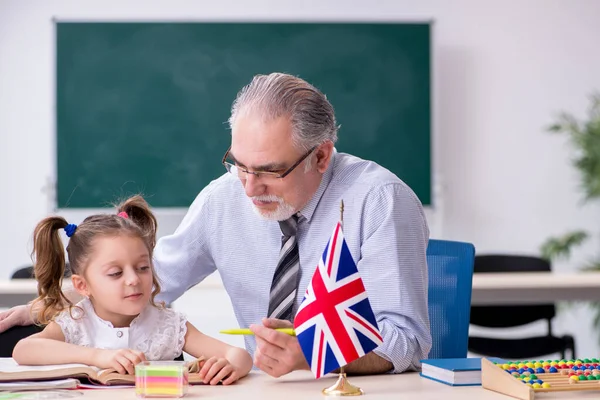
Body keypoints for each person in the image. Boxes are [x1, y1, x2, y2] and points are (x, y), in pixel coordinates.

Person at [1, 72, 431, 378]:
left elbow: (406, 341)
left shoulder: (379, 201)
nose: (248, 187)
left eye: (268, 171)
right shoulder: (223, 197)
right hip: (263, 389)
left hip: (366, 390)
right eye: (238, 164)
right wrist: (54, 305)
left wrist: (311, 352)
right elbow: (152, 279)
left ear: (321, 156)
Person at [11, 195, 252, 385]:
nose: (133, 279)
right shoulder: (77, 320)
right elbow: (24, 350)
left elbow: (239, 356)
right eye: (116, 273)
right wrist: (98, 357)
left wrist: (230, 366)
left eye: (143, 267)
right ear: (82, 286)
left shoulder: (168, 324)